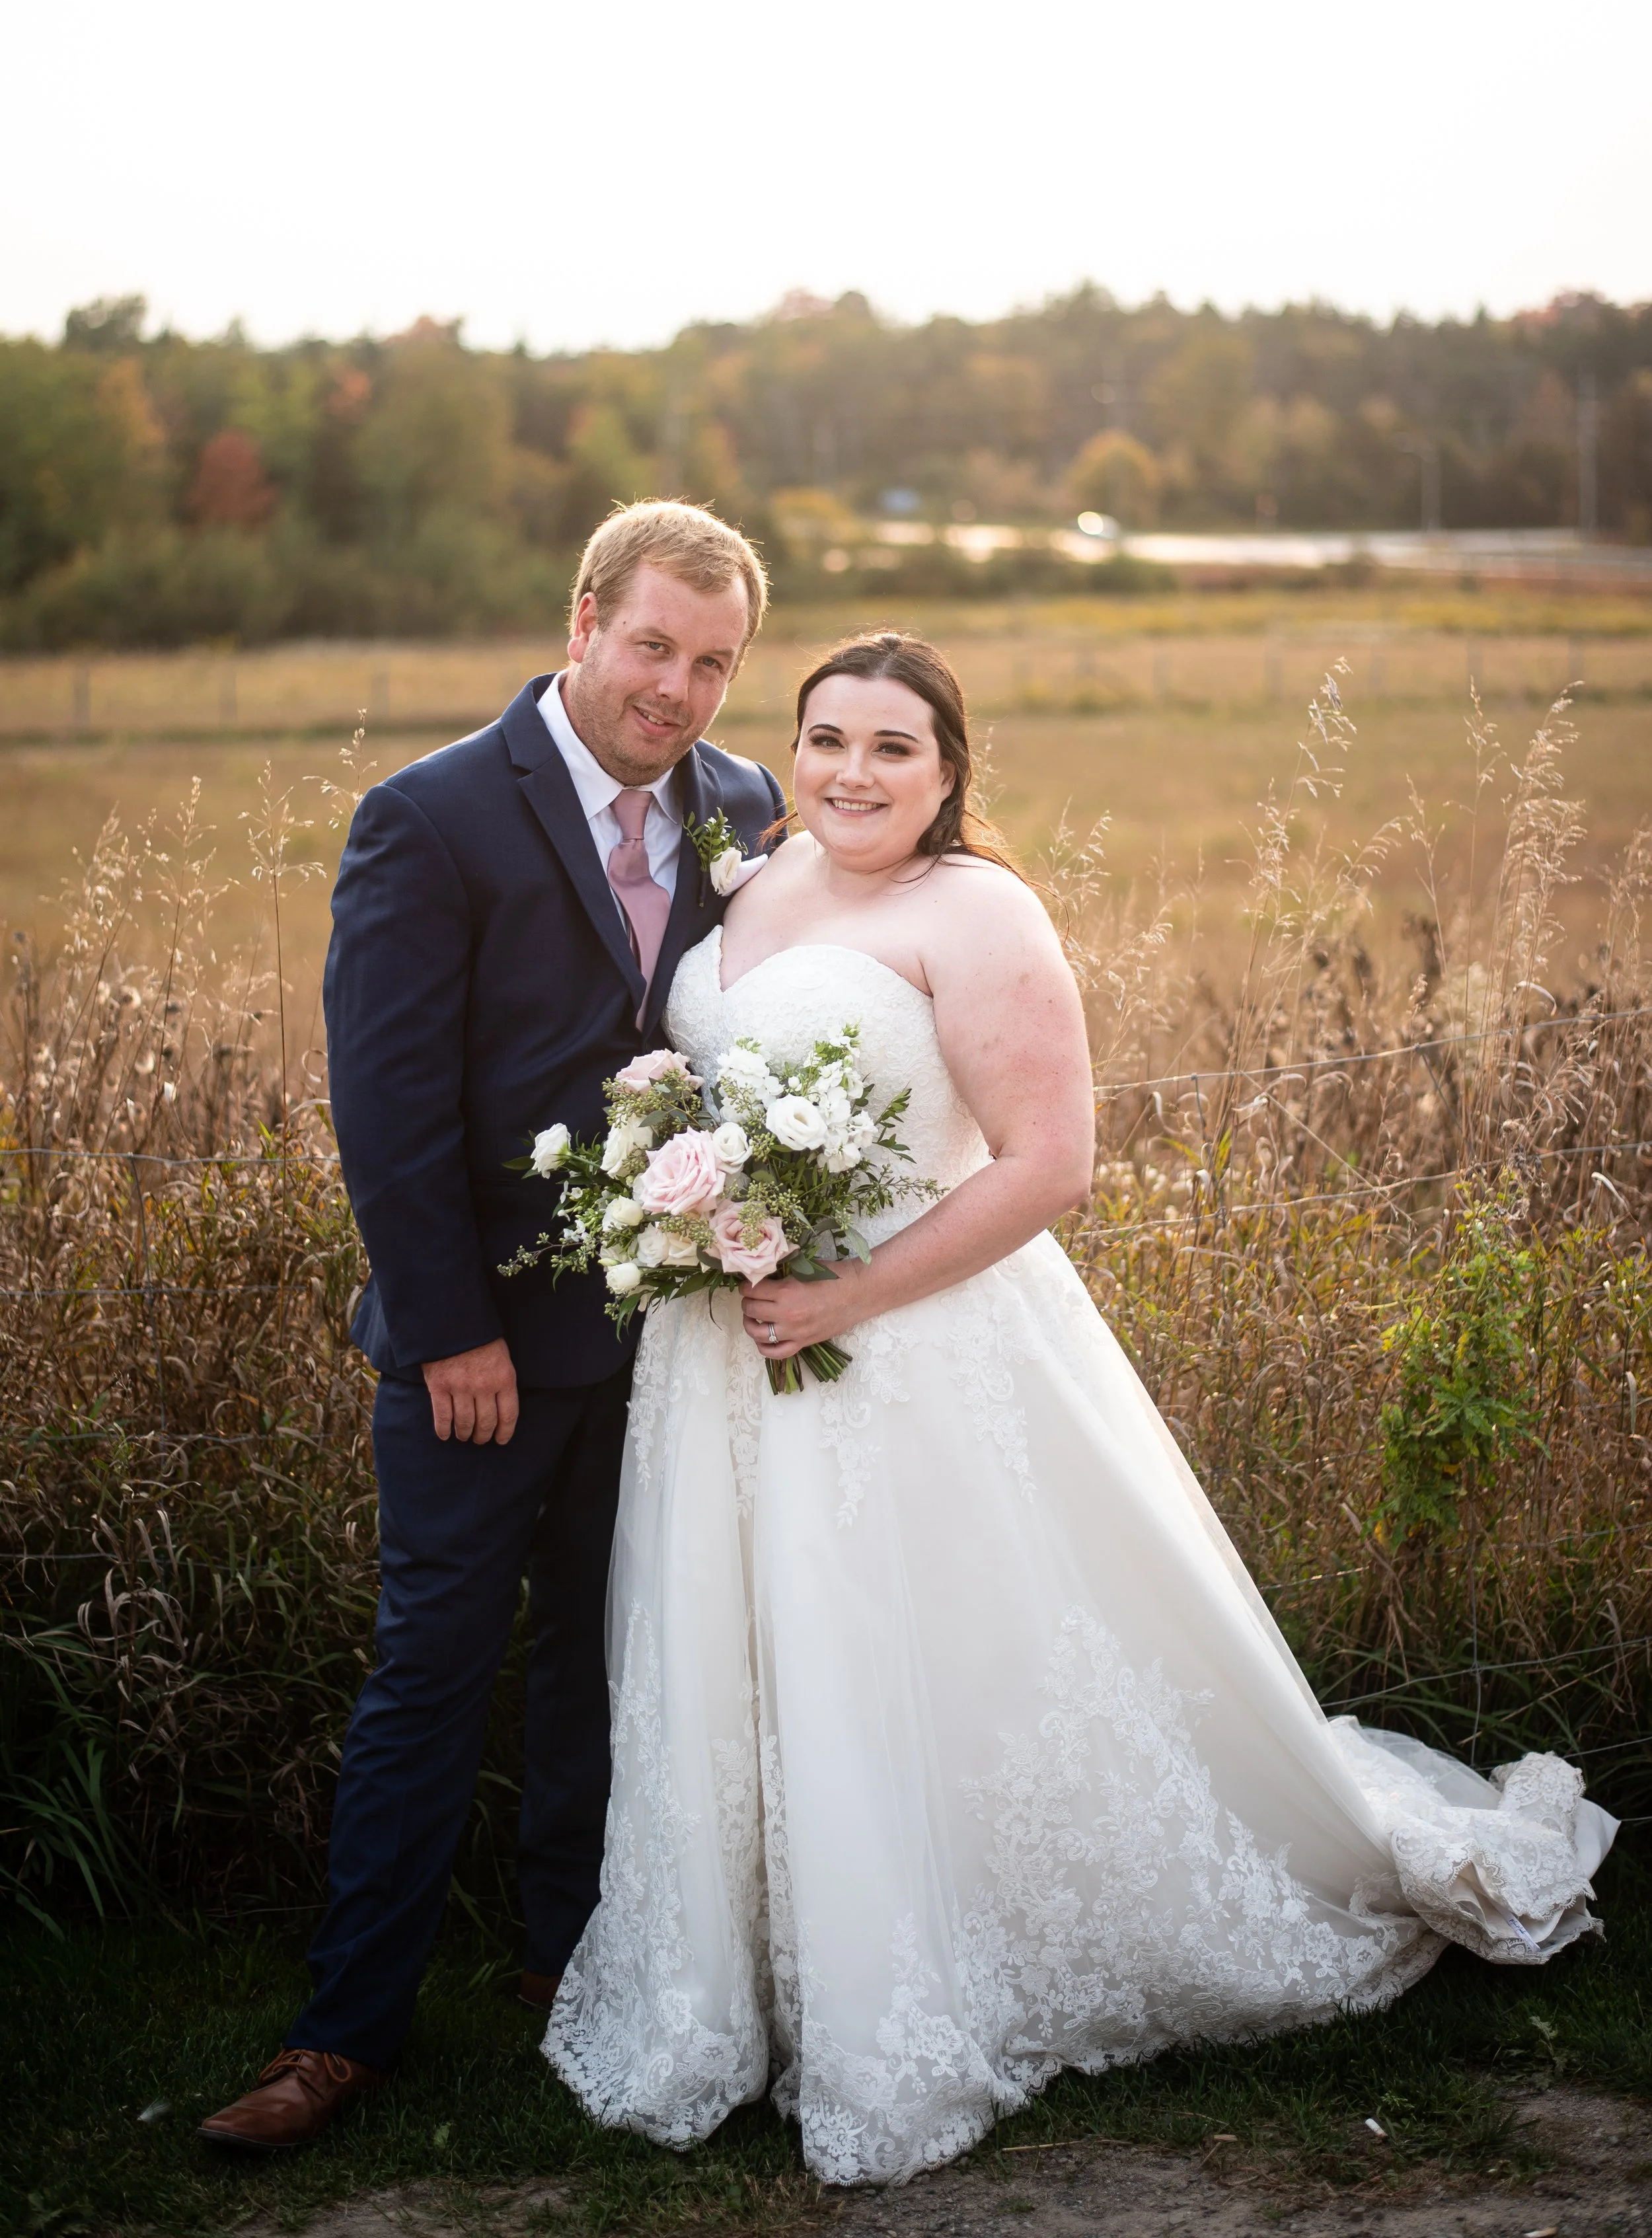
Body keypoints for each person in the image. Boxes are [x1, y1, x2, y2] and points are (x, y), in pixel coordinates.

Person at [544, 630, 1618, 2189]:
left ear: (947, 771)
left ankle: (937, 1967)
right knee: (751, 1657)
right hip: (722, 1360)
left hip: (905, 1350)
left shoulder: (977, 912)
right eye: (826, 738)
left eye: (891, 747)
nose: (850, 772)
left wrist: (842, 1296)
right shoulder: (752, 883)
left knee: (930, 1656)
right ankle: (751, 1981)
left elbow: (1048, 1166)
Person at [199, 502, 785, 2153]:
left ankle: (568, 1972)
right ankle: (343, 2033)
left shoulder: (739, 804)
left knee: (613, 1667)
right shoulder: (433, 817)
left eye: (713, 664)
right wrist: (453, 1330)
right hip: (477, 1354)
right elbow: (383, 1107)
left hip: (658, 1345)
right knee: (430, 1676)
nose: (676, 690)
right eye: (655, 646)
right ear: (585, 617)